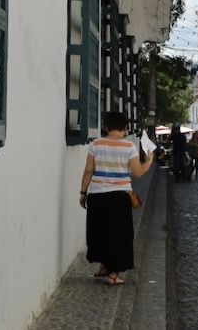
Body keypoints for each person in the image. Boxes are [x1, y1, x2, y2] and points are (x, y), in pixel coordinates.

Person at [79, 111, 154, 285]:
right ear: (125, 128)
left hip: (97, 195)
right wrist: (149, 160)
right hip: (120, 197)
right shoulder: (129, 147)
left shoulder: (95, 144)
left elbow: (88, 170)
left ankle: (104, 266)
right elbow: (138, 172)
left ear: (106, 126)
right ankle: (113, 274)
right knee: (118, 234)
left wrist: (83, 193)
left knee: (99, 231)